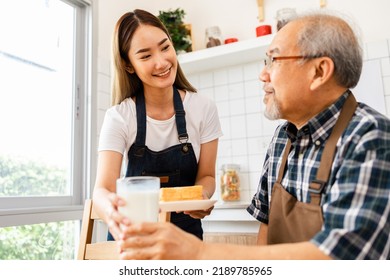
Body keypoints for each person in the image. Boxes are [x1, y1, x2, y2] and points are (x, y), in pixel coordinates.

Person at [116, 11, 390, 260]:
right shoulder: (283, 139)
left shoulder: (371, 139)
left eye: (274, 59)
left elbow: (344, 257)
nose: (263, 74)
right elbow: (266, 233)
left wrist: (198, 251)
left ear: (319, 71)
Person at [92, 9, 222, 241]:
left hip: (186, 237)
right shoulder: (119, 116)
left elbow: (207, 176)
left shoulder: (204, 108)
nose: (161, 62)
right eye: (145, 56)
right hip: (134, 234)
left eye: (165, 47)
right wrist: (111, 214)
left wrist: (201, 195)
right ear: (128, 65)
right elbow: (102, 189)